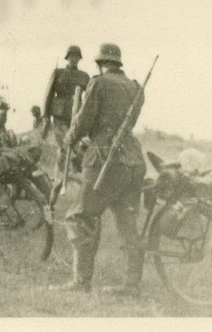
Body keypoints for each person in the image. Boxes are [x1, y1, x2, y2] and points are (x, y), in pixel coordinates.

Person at [55, 43, 147, 296]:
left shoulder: (98, 84)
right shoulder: (135, 87)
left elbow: (85, 121)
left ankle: (81, 282)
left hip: (105, 160)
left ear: (99, 63)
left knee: (79, 217)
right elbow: (126, 122)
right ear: (118, 64)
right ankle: (132, 285)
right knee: (128, 224)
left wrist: (71, 136)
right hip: (133, 161)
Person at [42, 46, 91, 139]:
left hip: (77, 113)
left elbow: (90, 94)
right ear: (67, 57)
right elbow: (49, 94)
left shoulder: (84, 76)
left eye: (77, 57)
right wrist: (45, 114)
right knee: (61, 141)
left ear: (80, 58)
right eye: (72, 56)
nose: (74, 59)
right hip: (60, 112)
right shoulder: (58, 73)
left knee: (74, 141)